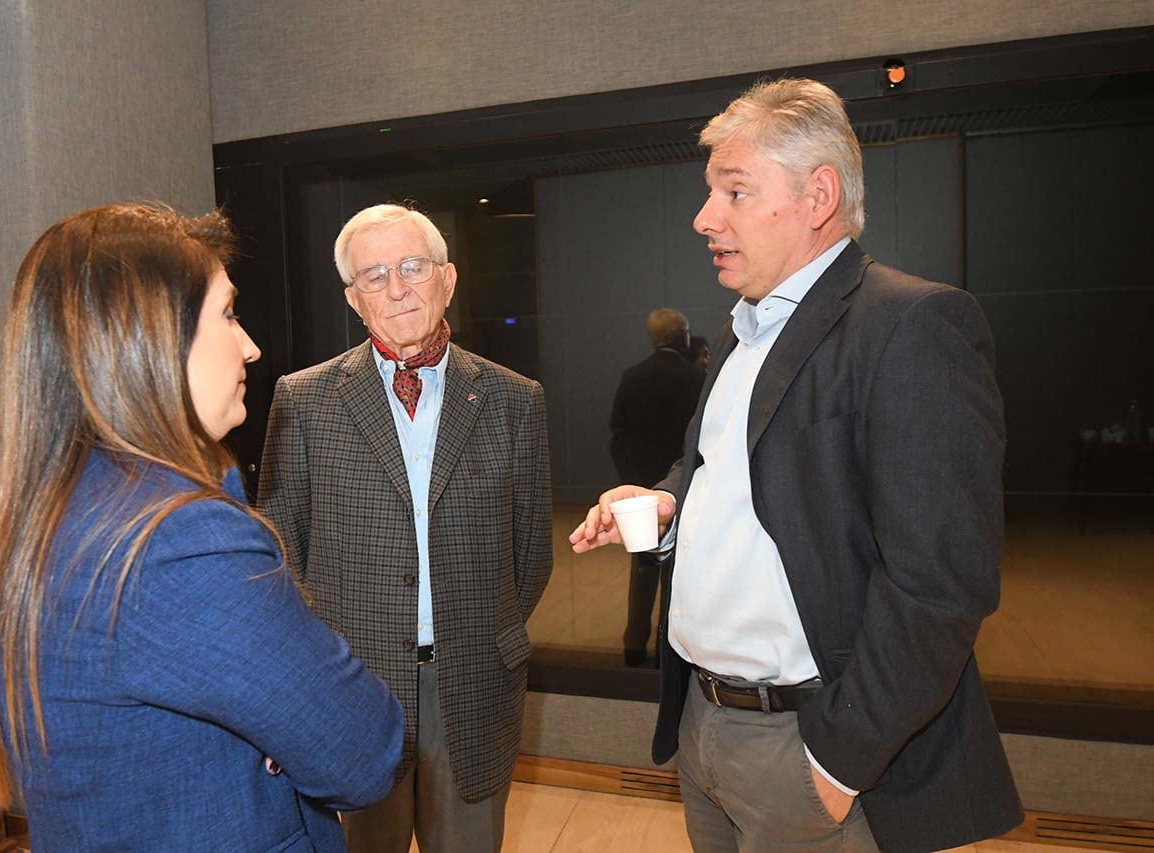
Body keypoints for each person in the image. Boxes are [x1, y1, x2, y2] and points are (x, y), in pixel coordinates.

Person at [570, 79, 1022, 852]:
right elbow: (715, 465)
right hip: (703, 727)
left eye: (733, 191)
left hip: (809, 743)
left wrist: (838, 762)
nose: (704, 217)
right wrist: (670, 500)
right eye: (710, 191)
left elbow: (942, 581)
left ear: (819, 196)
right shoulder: (744, 330)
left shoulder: (911, 324)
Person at [0, 203, 403, 852]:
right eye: (227, 313)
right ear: (147, 342)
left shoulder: (58, 508)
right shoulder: (178, 542)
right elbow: (365, 751)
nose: (251, 344)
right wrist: (284, 722)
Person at [256, 203, 553, 853]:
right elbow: (281, 549)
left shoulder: (513, 399)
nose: (397, 288)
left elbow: (531, 555)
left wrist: (473, 624)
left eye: (412, 267)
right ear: (354, 298)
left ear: (447, 279)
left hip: (472, 681)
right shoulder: (302, 400)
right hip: (351, 683)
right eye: (375, 274)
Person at [609, 308, 704, 665]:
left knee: (643, 568)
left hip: (641, 484)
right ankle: (671, 650)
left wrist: (632, 480)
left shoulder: (633, 376)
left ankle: (634, 643)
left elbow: (618, 431)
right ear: (682, 335)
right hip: (684, 489)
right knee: (679, 571)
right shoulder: (696, 379)